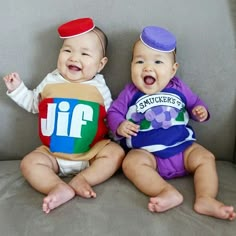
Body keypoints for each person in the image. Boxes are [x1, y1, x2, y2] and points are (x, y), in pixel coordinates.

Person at [107, 26, 236, 220]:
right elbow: (114, 112)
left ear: (173, 69)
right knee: (131, 163)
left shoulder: (179, 88)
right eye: (139, 61)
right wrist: (119, 125)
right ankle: (165, 191)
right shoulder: (130, 92)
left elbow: (194, 103)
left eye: (158, 62)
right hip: (147, 155)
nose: (148, 68)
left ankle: (206, 198)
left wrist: (199, 111)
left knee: (206, 157)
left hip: (183, 149)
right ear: (131, 65)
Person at [3, 17, 124, 214]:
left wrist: (120, 128)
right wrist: (17, 89)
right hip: (52, 154)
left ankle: (84, 179)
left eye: (85, 53)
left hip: (91, 154)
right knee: (29, 163)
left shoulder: (100, 87)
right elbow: (34, 104)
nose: (74, 58)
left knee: (116, 153)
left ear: (100, 64)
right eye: (67, 50)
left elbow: (110, 116)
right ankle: (56, 187)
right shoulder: (51, 81)